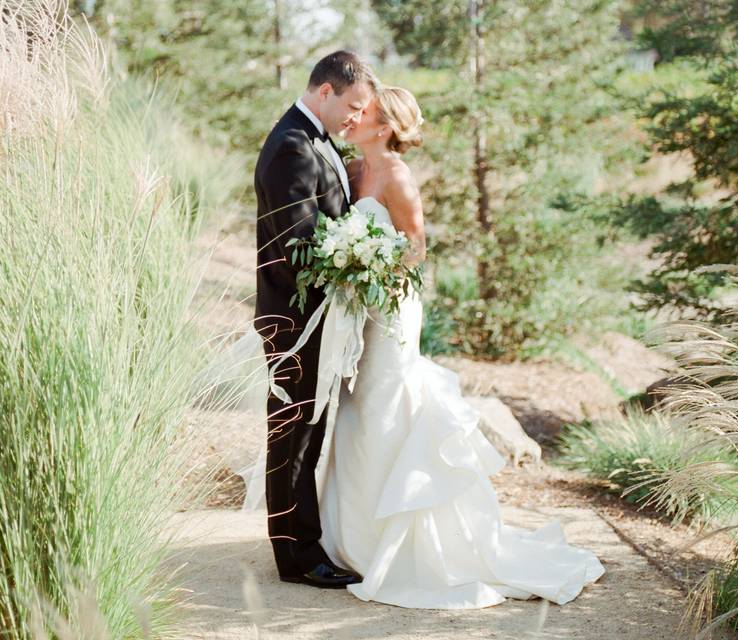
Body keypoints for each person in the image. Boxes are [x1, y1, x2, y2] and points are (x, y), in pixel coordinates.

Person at [315, 86, 607, 608]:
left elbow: (416, 250)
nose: (354, 118)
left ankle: (404, 544)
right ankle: (354, 537)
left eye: (366, 114)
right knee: (358, 409)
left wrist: (369, 270)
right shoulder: (352, 171)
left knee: (387, 405)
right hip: (361, 310)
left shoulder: (398, 179)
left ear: (384, 128)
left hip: (393, 308)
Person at [253, 50, 376, 589]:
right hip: (294, 317)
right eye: (351, 106)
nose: (355, 118)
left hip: (319, 316)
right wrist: (356, 258)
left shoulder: (318, 142)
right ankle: (297, 558)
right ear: (325, 91)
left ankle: (305, 543)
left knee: (310, 431)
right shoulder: (290, 147)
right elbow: (291, 248)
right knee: (292, 436)